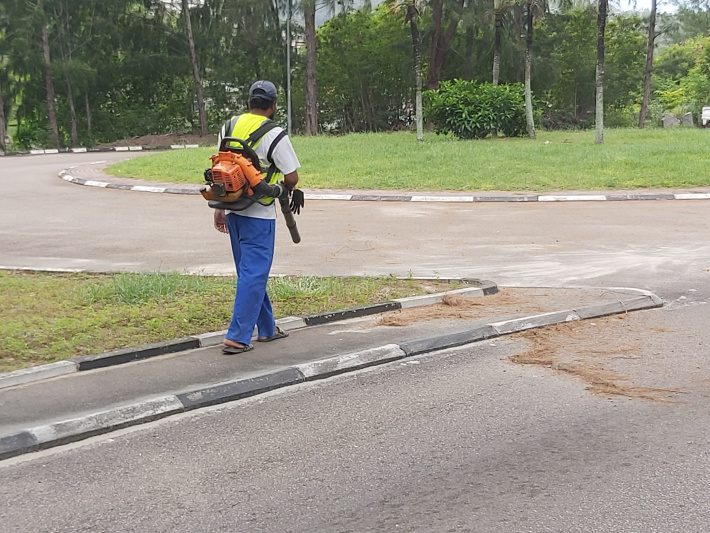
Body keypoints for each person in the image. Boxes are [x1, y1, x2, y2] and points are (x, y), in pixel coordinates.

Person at [213, 80, 301, 354]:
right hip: (259, 212)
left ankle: (267, 328)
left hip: (233, 208)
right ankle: (238, 337)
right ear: (273, 106)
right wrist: (292, 189)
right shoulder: (275, 133)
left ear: (249, 102)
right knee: (254, 274)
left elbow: (220, 166)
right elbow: (291, 176)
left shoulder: (229, 126)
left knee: (250, 273)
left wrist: (219, 208)